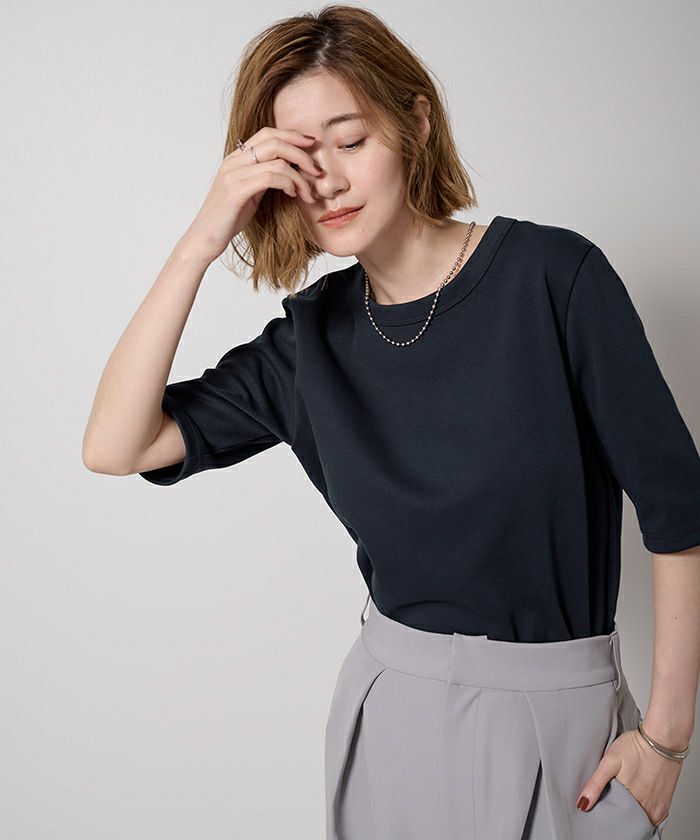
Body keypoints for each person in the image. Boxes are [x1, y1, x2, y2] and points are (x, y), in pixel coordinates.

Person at [82, 5, 700, 839]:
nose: (327, 181)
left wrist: (665, 741)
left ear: (415, 123)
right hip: (391, 716)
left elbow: (678, 507)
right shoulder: (307, 343)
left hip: (560, 723)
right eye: (298, 158)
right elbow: (114, 446)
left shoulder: (553, 279)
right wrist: (200, 240)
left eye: (350, 141)